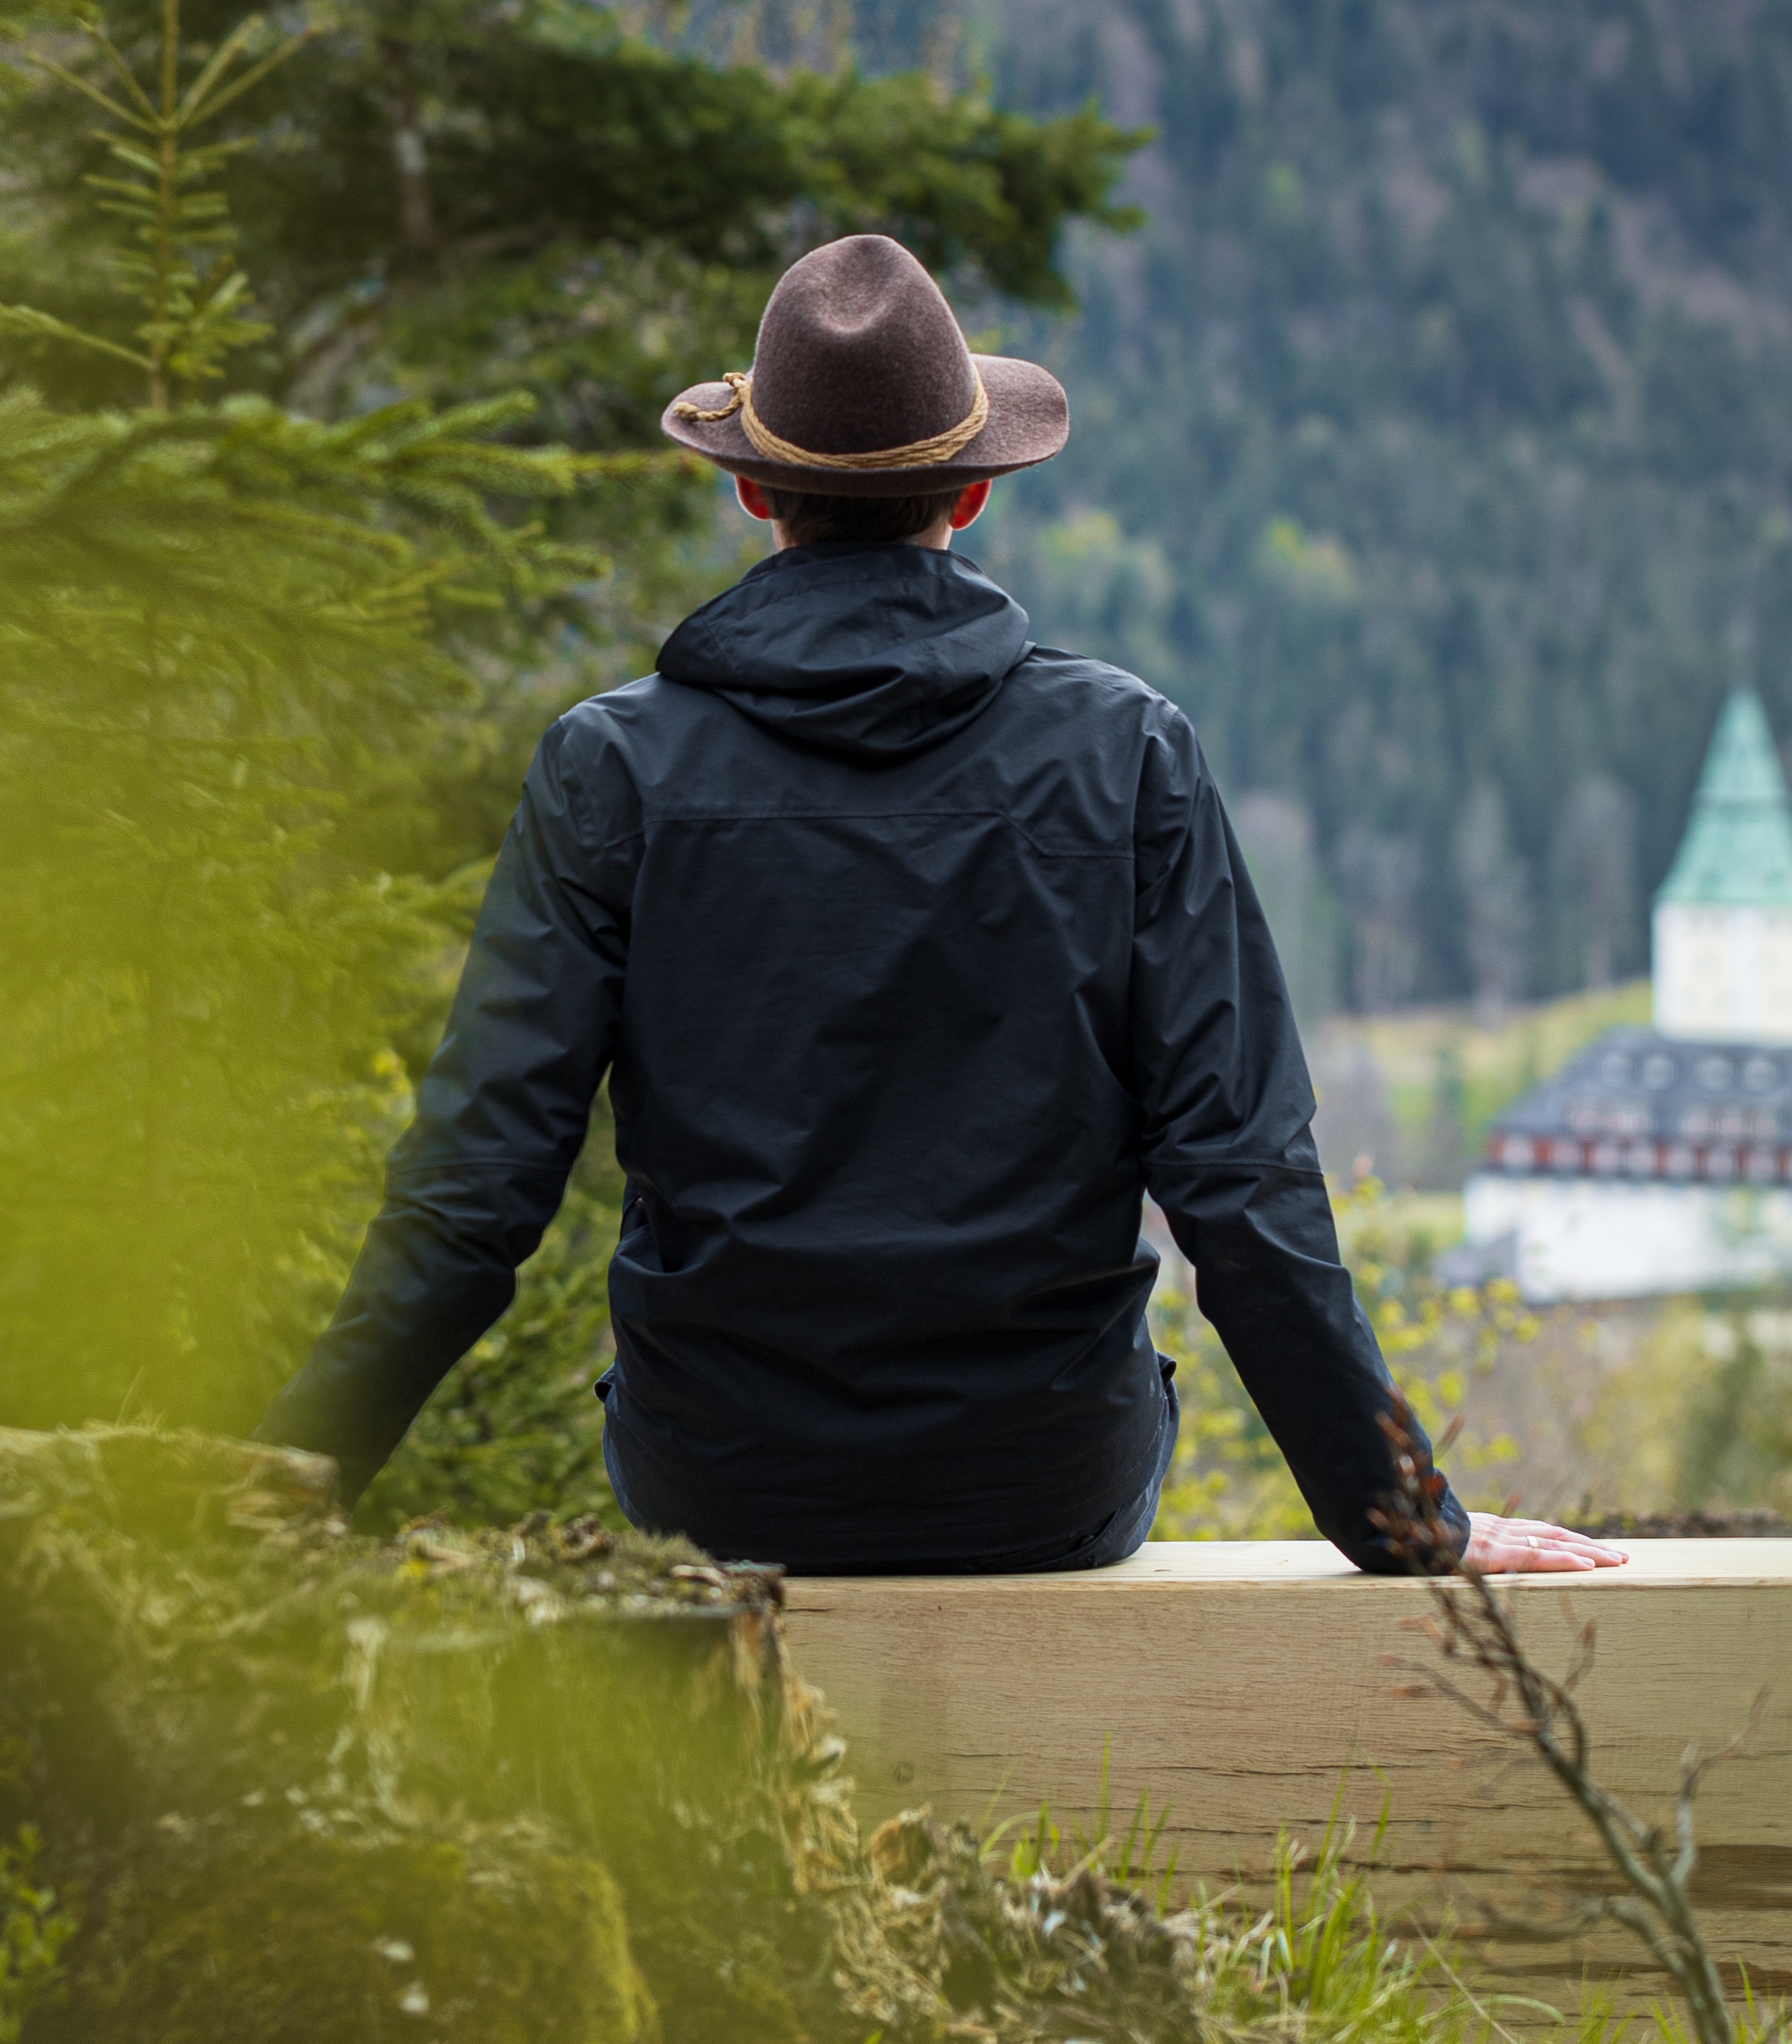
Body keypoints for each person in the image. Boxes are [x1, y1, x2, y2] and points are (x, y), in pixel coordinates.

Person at [261, 233, 1617, 1583]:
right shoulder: (1126, 753)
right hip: (1043, 1489)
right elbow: (1241, 1177)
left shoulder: (611, 767)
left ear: (751, 490)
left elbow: (479, 1180)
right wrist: (1403, 1518)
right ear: (971, 495)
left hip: (718, 1491)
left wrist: (281, 1483)